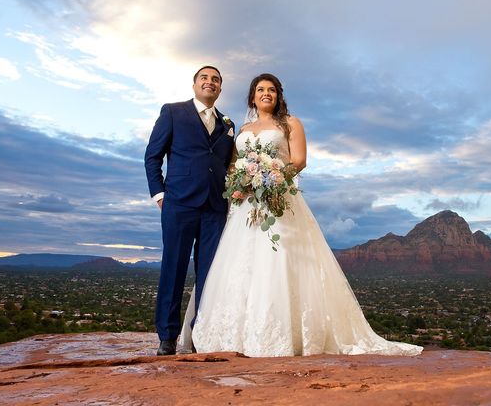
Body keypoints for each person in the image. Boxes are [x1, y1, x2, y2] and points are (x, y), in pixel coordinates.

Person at [179, 73, 422, 357]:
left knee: (279, 260)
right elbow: (234, 164)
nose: (266, 93)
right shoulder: (243, 127)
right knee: (240, 265)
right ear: (252, 97)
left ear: (279, 95)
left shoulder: (291, 123)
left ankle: (285, 333)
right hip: (247, 206)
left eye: (271, 90)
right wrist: (241, 183)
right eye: (260, 89)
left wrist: (273, 178)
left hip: (279, 199)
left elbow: (299, 160)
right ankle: (237, 335)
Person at [144, 65, 234, 356]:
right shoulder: (172, 112)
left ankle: (198, 333)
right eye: (205, 78)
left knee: (210, 274)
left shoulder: (226, 124)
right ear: (195, 84)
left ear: (220, 88)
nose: (210, 82)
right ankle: (167, 337)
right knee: (174, 269)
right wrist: (160, 194)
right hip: (179, 204)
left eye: (216, 80)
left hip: (215, 208)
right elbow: (153, 156)